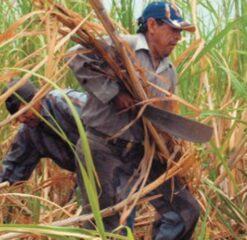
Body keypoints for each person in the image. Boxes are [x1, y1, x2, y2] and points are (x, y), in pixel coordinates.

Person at [68, 1, 200, 239]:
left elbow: (165, 117)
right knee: (112, 226)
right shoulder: (122, 46)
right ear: (152, 25)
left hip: (141, 153)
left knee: (185, 211)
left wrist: (171, 153)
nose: (178, 38)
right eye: (173, 30)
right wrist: (113, 93)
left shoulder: (169, 72)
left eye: (180, 33)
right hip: (103, 148)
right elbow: (77, 56)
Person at [0, 78, 86, 185]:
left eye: (25, 112)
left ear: (37, 98)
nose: (22, 120)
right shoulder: (29, 135)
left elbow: (107, 120)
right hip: (88, 177)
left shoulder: (66, 101)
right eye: (17, 117)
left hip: (109, 159)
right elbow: (12, 171)